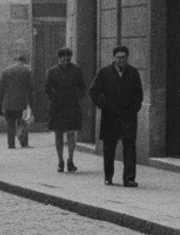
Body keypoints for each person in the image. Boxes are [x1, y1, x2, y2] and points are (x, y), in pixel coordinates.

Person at [89, 45, 143, 187]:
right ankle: (108, 176)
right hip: (110, 116)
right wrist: (103, 105)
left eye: (123, 58)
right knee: (109, 147)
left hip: (128, 116)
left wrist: (133, 109)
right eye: (118, 58)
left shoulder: (133, 73)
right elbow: (93, 91)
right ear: (114, 58)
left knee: (129, 146)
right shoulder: (104, 73)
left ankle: (129, 178)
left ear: (127, 58)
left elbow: (139, 94)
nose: (121, 60)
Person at [45, 46, 87, 173]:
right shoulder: (52, 72)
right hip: (57, 107)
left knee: (71, 133)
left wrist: (76, 98)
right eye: (64, 59)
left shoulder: (76, 70)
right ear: (59, 59)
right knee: (58, 134)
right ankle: (60, 161)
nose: (66, 62)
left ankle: (70, 160)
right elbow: (47, 88)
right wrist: (55, 99)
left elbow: (82, 87)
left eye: (68, 59)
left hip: (71, 105)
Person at [0, 54, 33, 149]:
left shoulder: (6, 71)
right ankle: (23, 142)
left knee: (10, 124)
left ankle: (11, 144)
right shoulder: (26, 71)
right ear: (25, 61)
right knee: (21, 123)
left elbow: (0, 88)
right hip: (21, 102)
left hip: (8, 102)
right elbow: (30, 88)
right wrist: (31, 104)